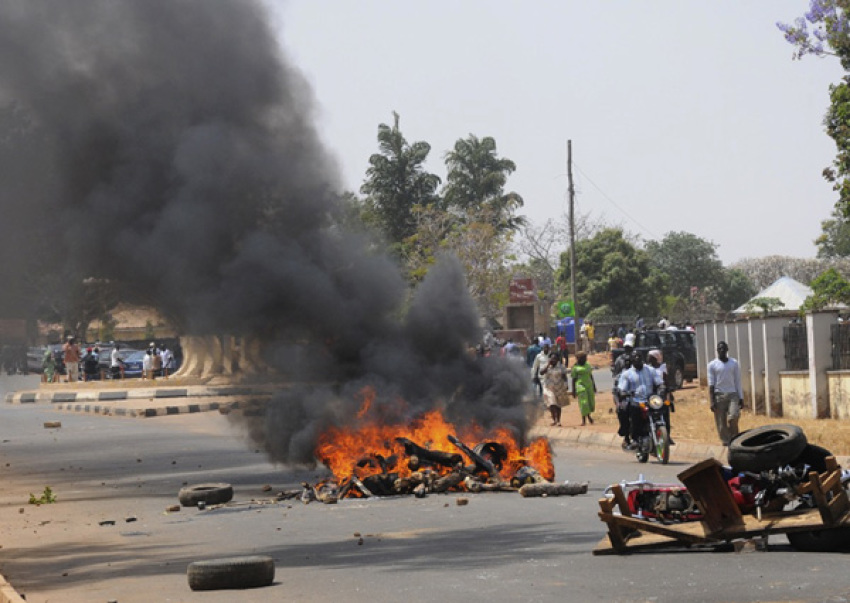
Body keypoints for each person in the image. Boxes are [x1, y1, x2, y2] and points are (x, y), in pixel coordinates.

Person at [618, 352, 663, 449]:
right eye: (635, 358)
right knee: (634, 409)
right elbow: (622, 389)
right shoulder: (627, 374)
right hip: (636, 400)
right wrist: (624, 393)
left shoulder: (650, 370)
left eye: (639, 358)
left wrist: (662, 388)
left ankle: (665, 432)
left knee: (665, 406)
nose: (638, 360)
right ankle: (635, 438)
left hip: (651, 399)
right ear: (632, 361)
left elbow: (659, 382)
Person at [708, 341, 743, 446]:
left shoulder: (734, 363)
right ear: (717, 350)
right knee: (721, 423)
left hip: (733, 394)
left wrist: (741, 397)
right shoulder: (712, 365)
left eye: (724, 348)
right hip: (719, 395)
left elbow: (737, 381)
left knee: (733, 417)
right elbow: (711, 384)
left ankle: (735, 437)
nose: (722, 350)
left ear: (727, 350)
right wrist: (712, 401)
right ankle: (726, 441)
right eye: (719, 349)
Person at [646, 349, 674, 445]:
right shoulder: (647, 368)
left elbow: (666, 382)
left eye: (650, 357)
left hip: (661, 395)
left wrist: (669, 395)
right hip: (650, 395)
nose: (648, 358)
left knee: (665, 415)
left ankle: (667, 436)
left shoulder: (662, 367)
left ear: (655, 358)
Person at [611, 339, 634, 448]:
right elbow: (616, 378)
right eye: (626, 348)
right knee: (622, 410)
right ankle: (626, 436)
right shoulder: (619, 361)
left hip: (637, 395)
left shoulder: (638, 367)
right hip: (624, 394)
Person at [539, 351, 570, 426]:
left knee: (558, 404)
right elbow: (541, 372)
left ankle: (558, 420)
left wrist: (566, 385)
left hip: (559, 387)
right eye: (551, 359)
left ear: (557, 360)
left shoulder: (561, 367)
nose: (553, 360)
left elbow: (564, 377)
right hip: (548, 387)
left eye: (554, 359)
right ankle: (554, 419)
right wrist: (548, 365)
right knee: (551, 404)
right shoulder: (547, 366)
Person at [571, 351, 597, 426]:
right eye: (583, 358)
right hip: (580, 385)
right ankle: (584, 420)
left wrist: (594, 386)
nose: (585, 359)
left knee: (590, 402)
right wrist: (573, 390)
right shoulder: (575, 367)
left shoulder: (588, 365)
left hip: (589, 385)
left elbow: (591, 375)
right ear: (578, 359)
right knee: (584, 402)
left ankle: (589, 417)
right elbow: (573, 379)